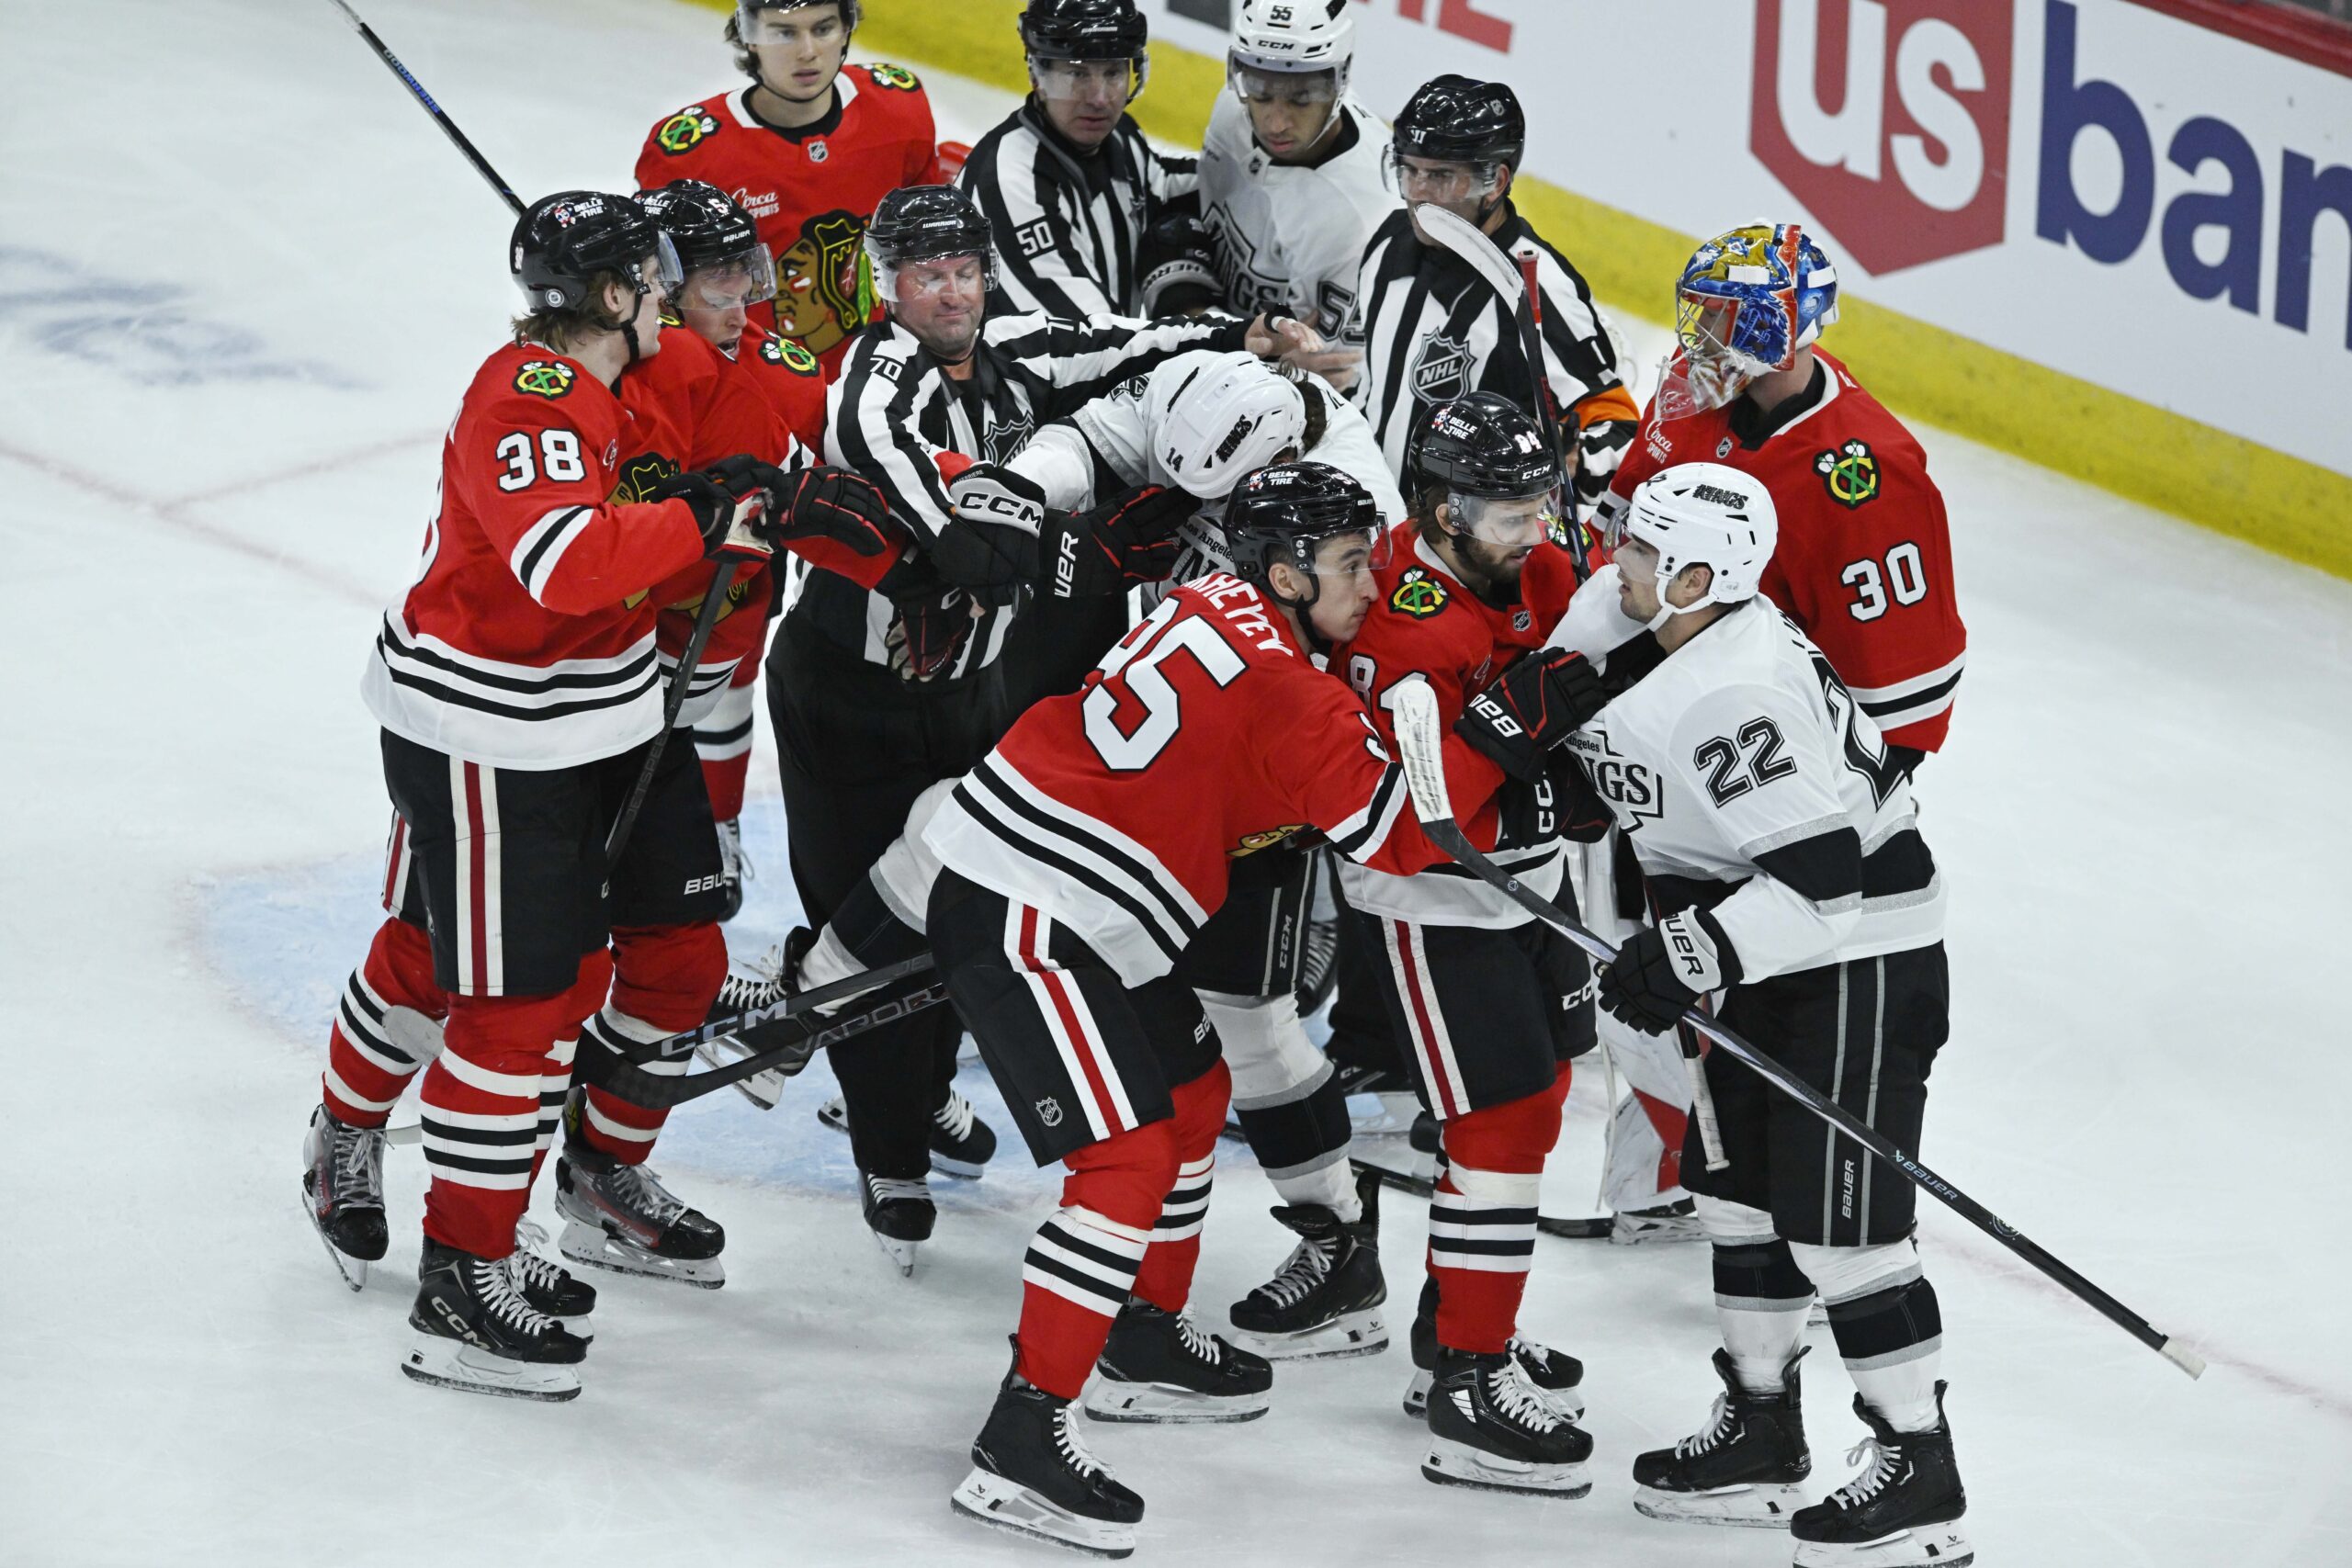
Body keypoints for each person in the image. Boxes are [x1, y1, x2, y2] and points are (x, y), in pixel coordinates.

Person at [907, 462, 1589, 1555]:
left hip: (1058, 882)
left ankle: (1137, 1335)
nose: (1369, 585)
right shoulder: (1296, 691)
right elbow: (1404, 841)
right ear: (1283, 573)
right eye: (1349, 566)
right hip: (1040, 914)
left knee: (1191, 1092)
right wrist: (1518, 720)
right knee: (1124, 1165)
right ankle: (1021, 1438)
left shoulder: (1210, 600)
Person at [308, 190, 895, 1398]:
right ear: (619, 294)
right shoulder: (526, 396)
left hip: (621, 710)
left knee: (678, 958)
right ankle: (445, 1263)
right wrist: (700, 510)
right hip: (489, 732)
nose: (692, 290)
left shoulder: (650, 366)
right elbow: (567, 563)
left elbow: (783, 438)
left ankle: (596, 1173)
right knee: (499, 998)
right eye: (661, 275)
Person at [748, 183, 1317, 1271]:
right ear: (889, 284)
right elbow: (880, 448)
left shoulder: (1015, 350)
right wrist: (975, 530)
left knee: (958, 909)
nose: (952, 293)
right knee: (858, 902)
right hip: (846, 697)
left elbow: (1123, 341)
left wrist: (1239, 337)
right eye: (927, 276)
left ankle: (905, 1085)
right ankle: (888, 1149)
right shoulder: (881, 372)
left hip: (968, 689)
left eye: (965, 270)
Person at [1567, 464, 1968, 1567]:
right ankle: (1759, 1429)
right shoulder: (1684, 626)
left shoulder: (1731, 693)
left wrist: (1685, 953)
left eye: (1643, 552)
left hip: (1852, 961)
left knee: (1845, 1237)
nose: (1622, 564)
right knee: (1739, 1199)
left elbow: (1822, 885)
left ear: (1696, 576)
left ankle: (1920, 1474)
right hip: (1766, 951)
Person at [976, 348, 1404, 1358]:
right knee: (1181, 1047)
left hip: (1261, 787)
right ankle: (1145, 1287)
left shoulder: (1357, 494)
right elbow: (1087, 440)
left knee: (1244, 1027)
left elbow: (1329, 681)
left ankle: (1338, 1239)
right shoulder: (1206, 393)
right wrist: (1011, 495)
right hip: (1164, 776)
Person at [1591, 222, 1969, 1236]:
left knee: (1719, 961)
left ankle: (1709, 1181)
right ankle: (1666, 1171)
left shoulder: (1867, 474)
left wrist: (1810, 788)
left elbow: (1909, 698)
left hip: (1767, 769)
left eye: (1734, 321)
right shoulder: (1690, 389)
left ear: (1792, 329)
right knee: (1649, 954)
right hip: (1678, 737)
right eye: (1701, 312)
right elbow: (1628, 533)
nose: (1704, 339)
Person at [1334, 393, 1611, 1485]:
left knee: (1536, 1105)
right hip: (1435, 907)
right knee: (1495, 1124)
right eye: (1504, 515)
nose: (1533, 532)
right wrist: (1542, 784)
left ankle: (1454, 1334)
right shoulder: (1401, 619)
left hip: (1533, 897)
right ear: (1443, 514)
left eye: (1540, 503)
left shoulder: (1537, 571)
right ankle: (1467, 1381)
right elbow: (1420, 818)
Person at [1354, 76, 1640, 520]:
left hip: (1469, 557)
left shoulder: (1537, 285)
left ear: (1496, 181)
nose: (1417, 193)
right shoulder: (1388, 243)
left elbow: (1618, 425)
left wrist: (1573, 463)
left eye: (1441, 176)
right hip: (1376, 530)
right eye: (1409, 170)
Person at [636, 0, 944, 369]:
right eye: (784, 32)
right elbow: (659, 295)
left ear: (846, 29)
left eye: (823, 28)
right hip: (751, 385)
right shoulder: (690, 155)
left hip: (883, 368)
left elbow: (925, 249)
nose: (807, 52)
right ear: (750, 39)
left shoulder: (899, 108)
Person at [957, 0, 1214, 321]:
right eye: (1077, 73)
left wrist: (1269, 172)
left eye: (1113, 72)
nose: (1100, 98)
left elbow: (1164, 189)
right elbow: (1094, 339)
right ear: (1037, 74)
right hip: (1034, 370)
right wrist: (1226, 335)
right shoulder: (1010, 180)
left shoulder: (1120, 138)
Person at [1198, 0, 1398, 362]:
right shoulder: (1231, 111)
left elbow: (1314, 371)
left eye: (1302, 98)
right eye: (1260, 91)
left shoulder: (1361, 215)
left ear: (1340, 79)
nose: (1275, 124)